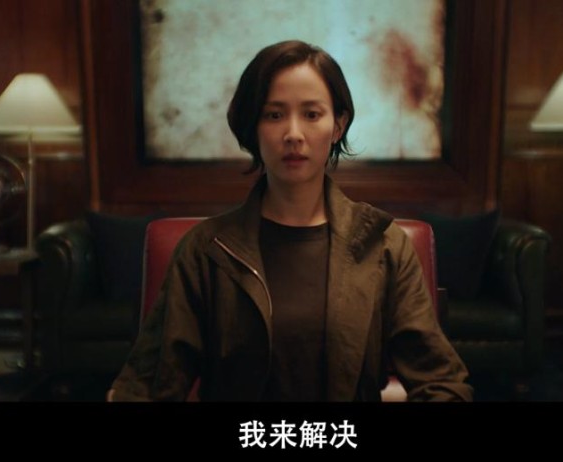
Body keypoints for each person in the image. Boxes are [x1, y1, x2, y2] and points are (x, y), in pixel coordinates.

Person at [109, 40, 472, 401]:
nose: (293, 134)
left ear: (338, 125)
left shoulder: (383, 244)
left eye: (312, 115)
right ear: (252, 127)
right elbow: (145, 387)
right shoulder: (206, 250)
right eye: (274, 115)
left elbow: (443, 383)